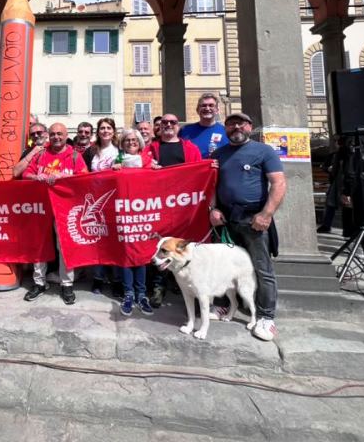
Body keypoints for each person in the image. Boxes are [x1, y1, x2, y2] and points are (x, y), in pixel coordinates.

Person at [209, 112, 286, 342]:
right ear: (225, 128)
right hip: (226, 219)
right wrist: (212, 208)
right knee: (223, 266)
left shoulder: (265, 151)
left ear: (250, 126)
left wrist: (266, 214)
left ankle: (265, 316)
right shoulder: (219, 153)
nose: (236, 127)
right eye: (231, 123)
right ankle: (223, 305)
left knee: (262, 269)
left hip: (254, 220)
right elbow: (211, 184)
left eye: (240, 122)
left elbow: (278, 183)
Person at [23, 122, 88, 305]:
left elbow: (84, 176)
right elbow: (26, 174)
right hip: (42, 207)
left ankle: (66, 284)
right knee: (40, 244)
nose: (56, 137)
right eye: (52, 134)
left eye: (60, 134)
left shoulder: (74, 155)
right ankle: (39, 282)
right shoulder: (42, 153)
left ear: (66, 135)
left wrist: (62, 177)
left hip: (65, 208)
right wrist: (36, 177)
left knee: (64, 246)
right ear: (48, 136)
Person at [145, 114, 202, 307]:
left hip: (182, 206)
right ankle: (158, 287)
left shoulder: (190, 148)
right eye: (164, 123)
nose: (168, 125)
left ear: (178, 126)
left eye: (172, 122)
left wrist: (211, 167)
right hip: (158, 205)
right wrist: (148, 168)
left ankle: (181, 283)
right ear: (159, 127)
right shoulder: (151, 148)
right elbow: (140, 168)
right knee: (160, 246)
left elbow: (199, 171)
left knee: (178, 247)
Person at [112, 128, 156, 316]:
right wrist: (112, 171)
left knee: (142, 255)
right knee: (126, 255)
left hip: (143, 212)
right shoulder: (117, 161)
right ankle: (128, 292)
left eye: (134, 140)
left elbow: (160, 181)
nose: (131, 142)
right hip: (124, 214)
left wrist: (158, 171)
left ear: (139, 142)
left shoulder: (148, 160)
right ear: (122, 143)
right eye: (127, 140)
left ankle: (142, 293)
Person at [84, 118, 123, 296]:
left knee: (114, 242)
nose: (105, 131)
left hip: (115, 201)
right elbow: (81, 173)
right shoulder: (90, 151)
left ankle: (116, 280)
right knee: (98, 241)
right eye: (102, 128)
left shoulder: (120, 151)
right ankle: (98, 278)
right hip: (95, 202)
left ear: (113, 131)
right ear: (98, 132)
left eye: (108, 128)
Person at [178, 93, 229, 158]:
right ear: (197, 110)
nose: (207, 108)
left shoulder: (226, 131)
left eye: (211, 105)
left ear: (217, 110)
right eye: (203, 105)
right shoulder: (185, 131)